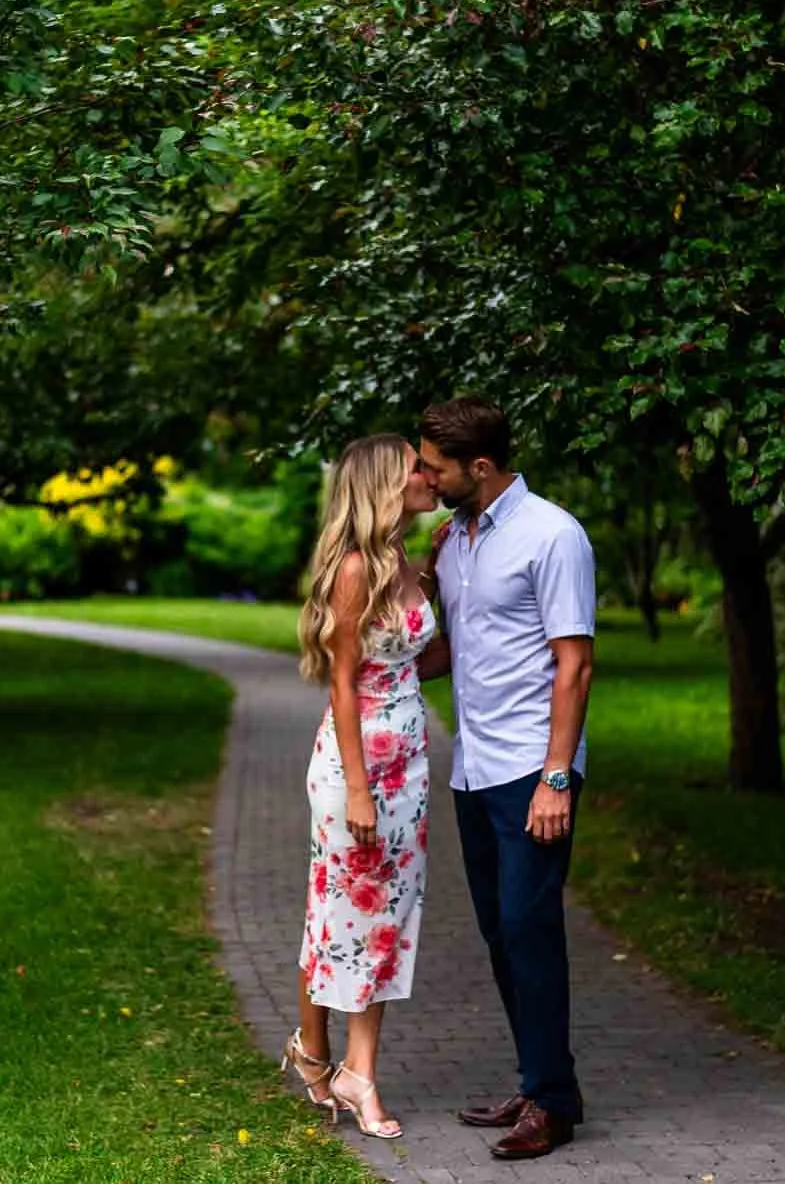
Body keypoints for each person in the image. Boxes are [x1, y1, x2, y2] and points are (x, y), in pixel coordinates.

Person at [416, 396, 597, 1162]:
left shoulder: (552, 534)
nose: (423, 475)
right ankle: (537, 1082)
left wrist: (557, 776)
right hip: (474, 767)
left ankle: (553, 1102)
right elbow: (456, 651)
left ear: (479, 467)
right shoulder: (453, 540)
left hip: (532, 767)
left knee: (530, 925)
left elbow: (575, 661)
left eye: (434, 465)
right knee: (498, 929)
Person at [283, 433, 443, 1139]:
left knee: (383, 920)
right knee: (347, 916)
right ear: (385, 482)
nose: (428, 474)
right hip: (359, 767)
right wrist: (357, 790)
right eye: (416, 466)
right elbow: (343, 683)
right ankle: (342, 1065)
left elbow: (413, 660)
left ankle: (338, 1063)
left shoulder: (404, 560)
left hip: (409, 763)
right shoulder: (354, 570)